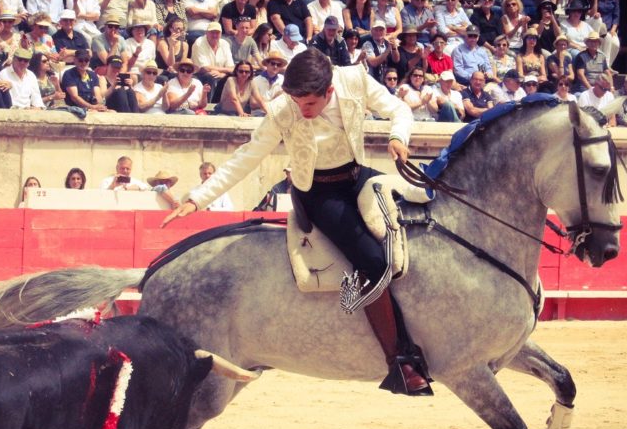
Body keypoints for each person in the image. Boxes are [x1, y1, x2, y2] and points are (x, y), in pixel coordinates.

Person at [162, 48, 432, 396]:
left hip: (357, 176)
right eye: (296, 102)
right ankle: (399, 361)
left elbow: (398, 109)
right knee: (373, 260)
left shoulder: (354, 81)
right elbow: (247, 157)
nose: (301, 111)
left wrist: (398, 136)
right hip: (319, 193)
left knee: (423, 207)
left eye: (308, 104)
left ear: (329, 91)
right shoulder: (282, 110)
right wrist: (198, 198)